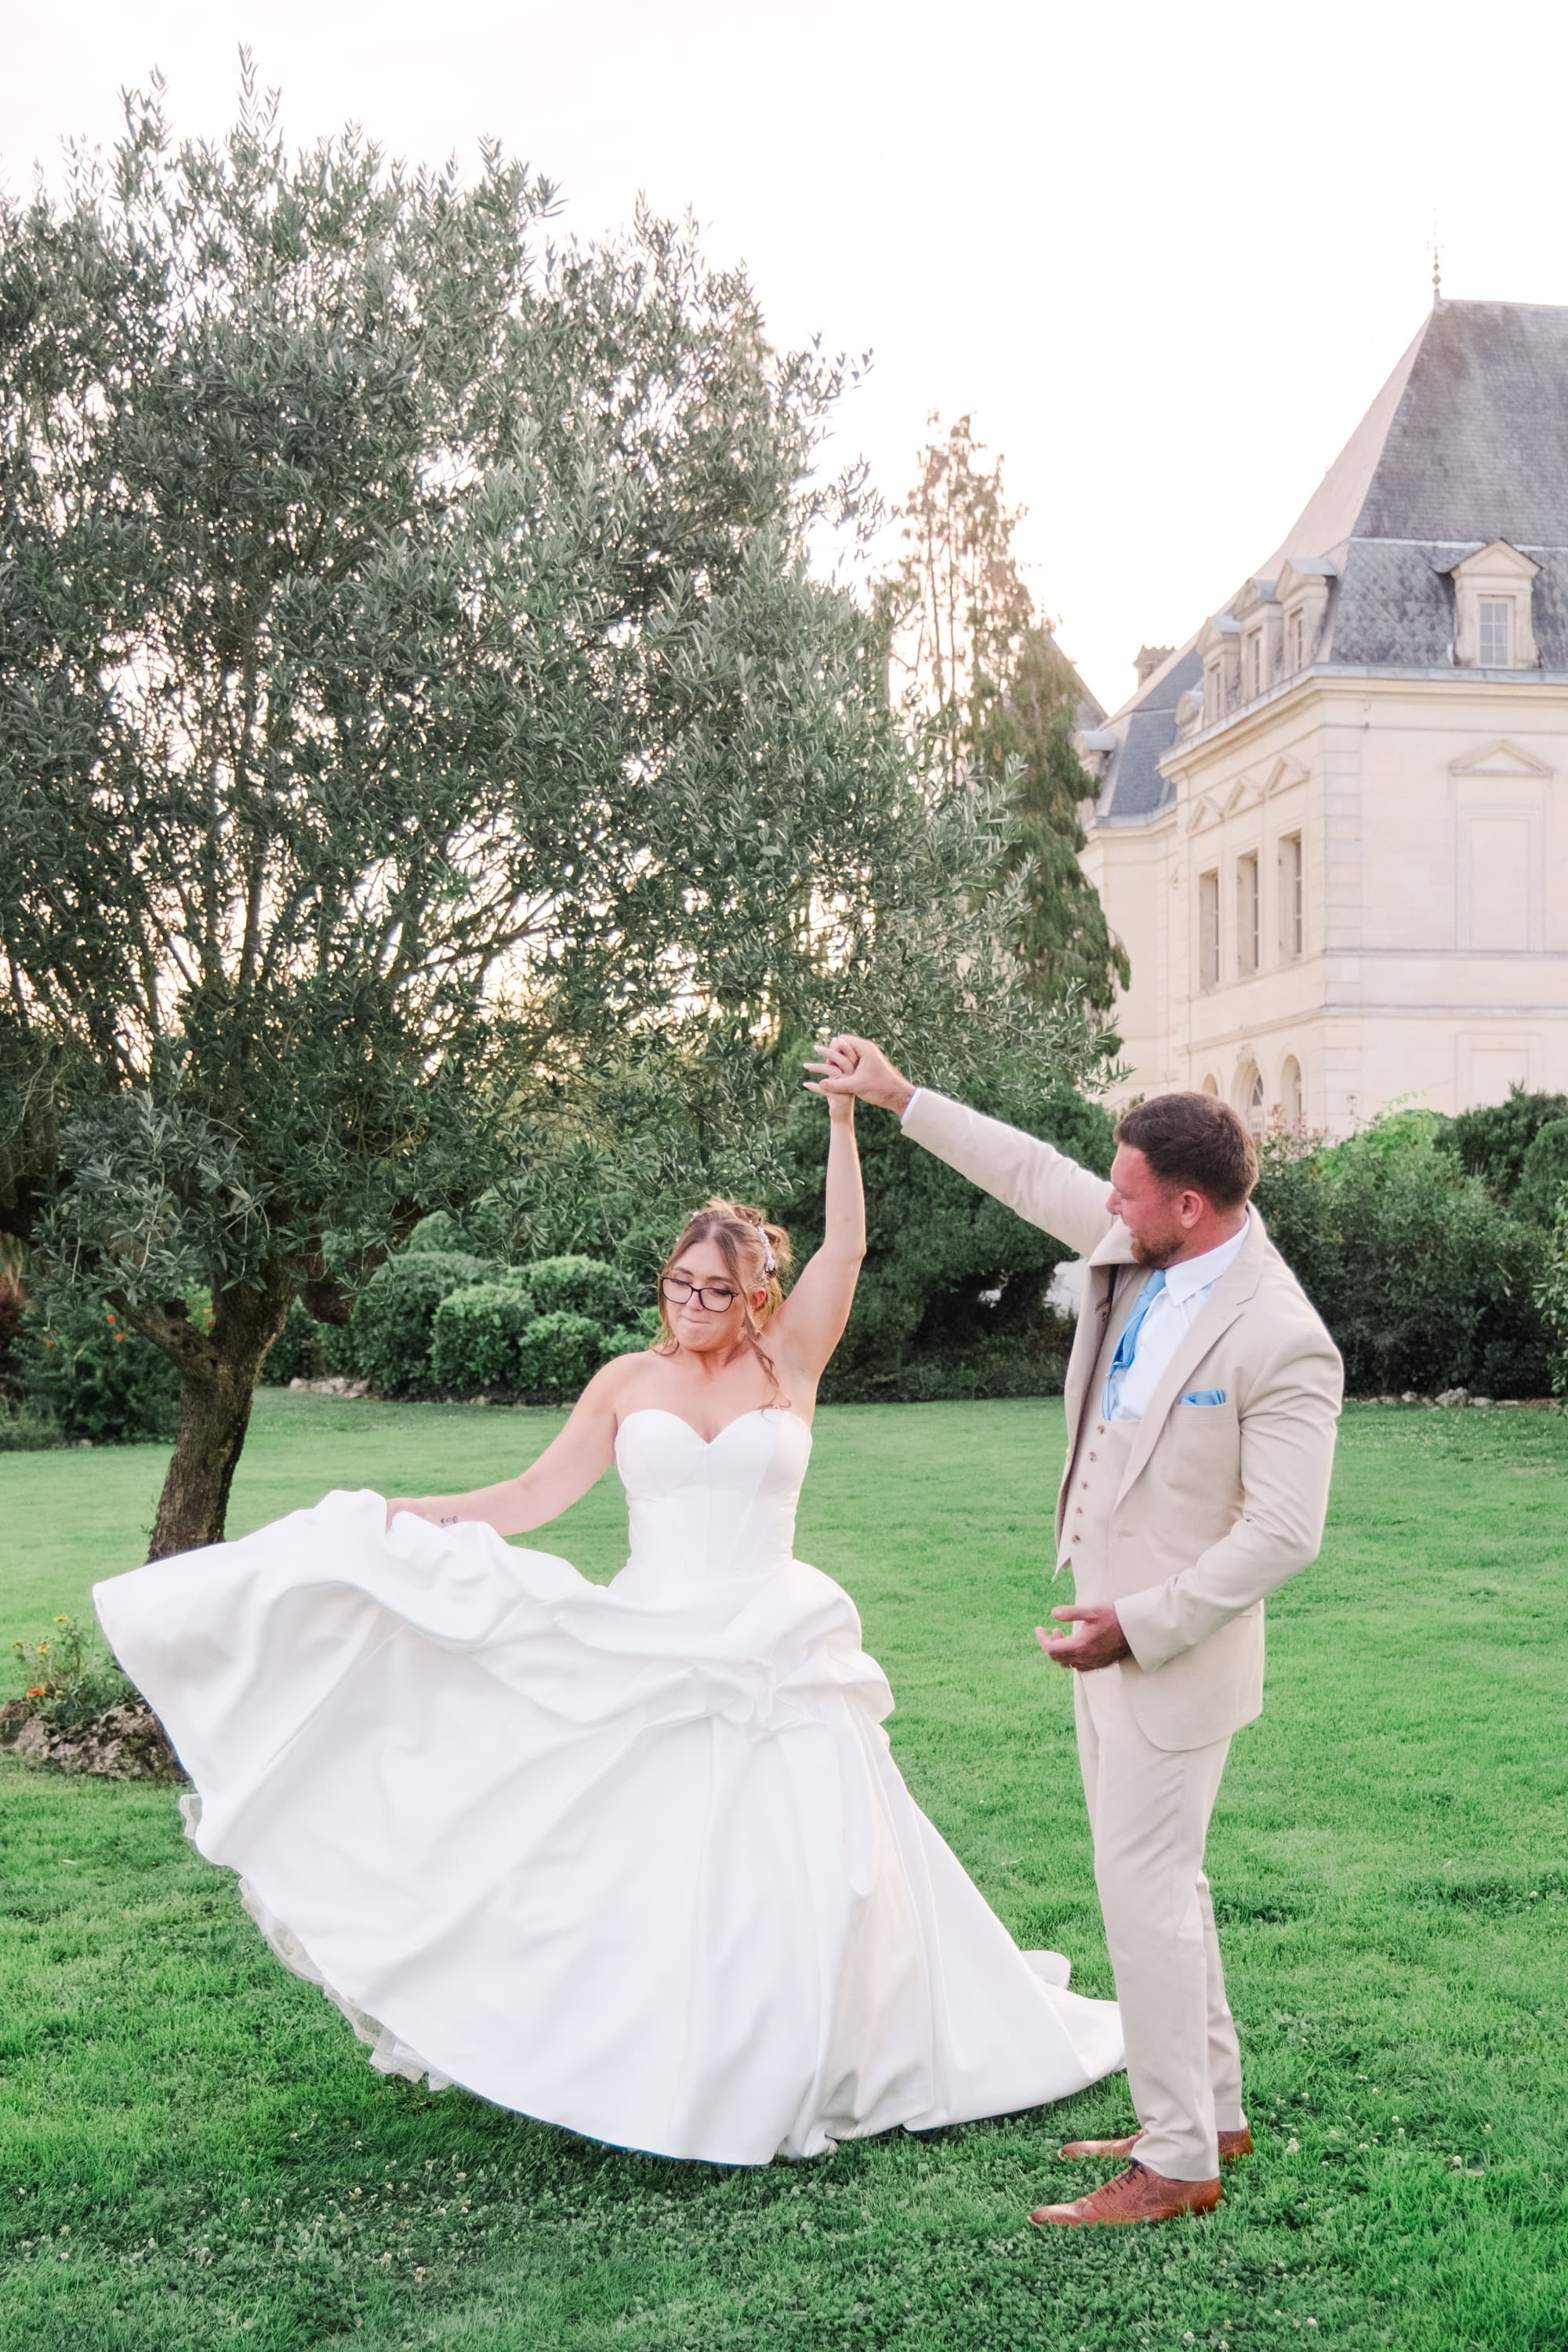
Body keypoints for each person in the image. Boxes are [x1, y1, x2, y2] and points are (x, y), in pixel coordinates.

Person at [93, 1082, 1122, 2168]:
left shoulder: (790, 1364)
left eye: (717, 1290)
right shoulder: (627, 1382)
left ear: (755, 1296)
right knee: (637, 1859)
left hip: (774, 1643)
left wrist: (842, 1120)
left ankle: (810, 2049)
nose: (693, 1304)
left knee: (814, 1868)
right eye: (680, 1284)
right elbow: (535, 1494)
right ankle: (644, 2049)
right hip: (650, 1641)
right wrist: (415, 1515)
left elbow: (849, 1246)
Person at [811, 1037, 1343, 2227]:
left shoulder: (1281, 1335)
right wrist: (899, 1096)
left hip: (1169, 1655)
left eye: (1130, 1190)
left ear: (1189, 1207)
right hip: (1104, 1642)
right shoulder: (1135, 1243)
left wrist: (1138, 1626)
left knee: (1143, 1895)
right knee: (1167, 1888)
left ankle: (1178, 2163)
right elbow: (1030, 1172)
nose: (1108, 1202)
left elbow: (1284, 1533)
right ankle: (1214, 2112)